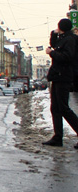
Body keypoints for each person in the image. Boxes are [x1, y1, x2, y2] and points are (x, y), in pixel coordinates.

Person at [43, 18, 78, 147]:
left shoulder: (69, 40)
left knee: (63, 108)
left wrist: (52, 53)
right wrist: (53, 33)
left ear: (62, 27)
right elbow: (54, 44)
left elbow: (67, 57)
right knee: (55, 108)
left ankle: (59, 137)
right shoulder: (64, 38)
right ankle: (57, 137)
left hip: (63, 76)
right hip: (58, 76)